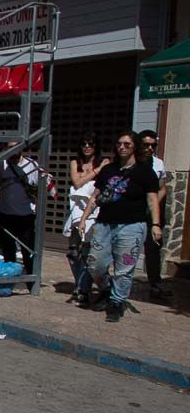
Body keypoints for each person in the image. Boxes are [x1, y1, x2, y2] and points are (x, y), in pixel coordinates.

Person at [78, 131, 160, 322]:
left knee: (124, 268)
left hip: (132, 225)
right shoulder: (109, 169)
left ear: (135, 147)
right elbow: (96, 196)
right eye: (119, 144)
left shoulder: (145, 171)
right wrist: (84, 218)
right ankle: (106, 289)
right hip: (105, 223)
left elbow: (152, 199)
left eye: (127, 144)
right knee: (95, 264)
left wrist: (155, 224)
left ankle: (117, 301)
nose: (122, 147)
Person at [64, 136, 108, 303]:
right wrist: (96, 171)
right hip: (75, 211)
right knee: (73, 252)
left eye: (91, 143)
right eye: (84, 143)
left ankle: (84, 287)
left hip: (93, 211)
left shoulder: (104, 162)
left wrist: (92, 173)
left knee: (88, 252)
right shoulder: (76, 162)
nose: (87, 147)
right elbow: (76, 182)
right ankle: (79, 284)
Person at [0, 145, 40, 279]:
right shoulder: (1, 164)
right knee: (8, 250)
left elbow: (37, 189)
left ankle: (30, 278)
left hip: (25, 214)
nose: (12, 151)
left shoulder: (31, 165)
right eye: (9, 148)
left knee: (27, 249)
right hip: (5, 213)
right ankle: (9, 279)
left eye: (15, 147)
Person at [137, 130, 170, 300]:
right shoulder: (133, 162)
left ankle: (155, 283)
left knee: (153, 248)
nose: (150, 148)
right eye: (146, 145)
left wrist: (154, 203)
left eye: (153, 145)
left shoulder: (158, 164)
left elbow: (162, 187)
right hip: (135, 210)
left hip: (152, 213)